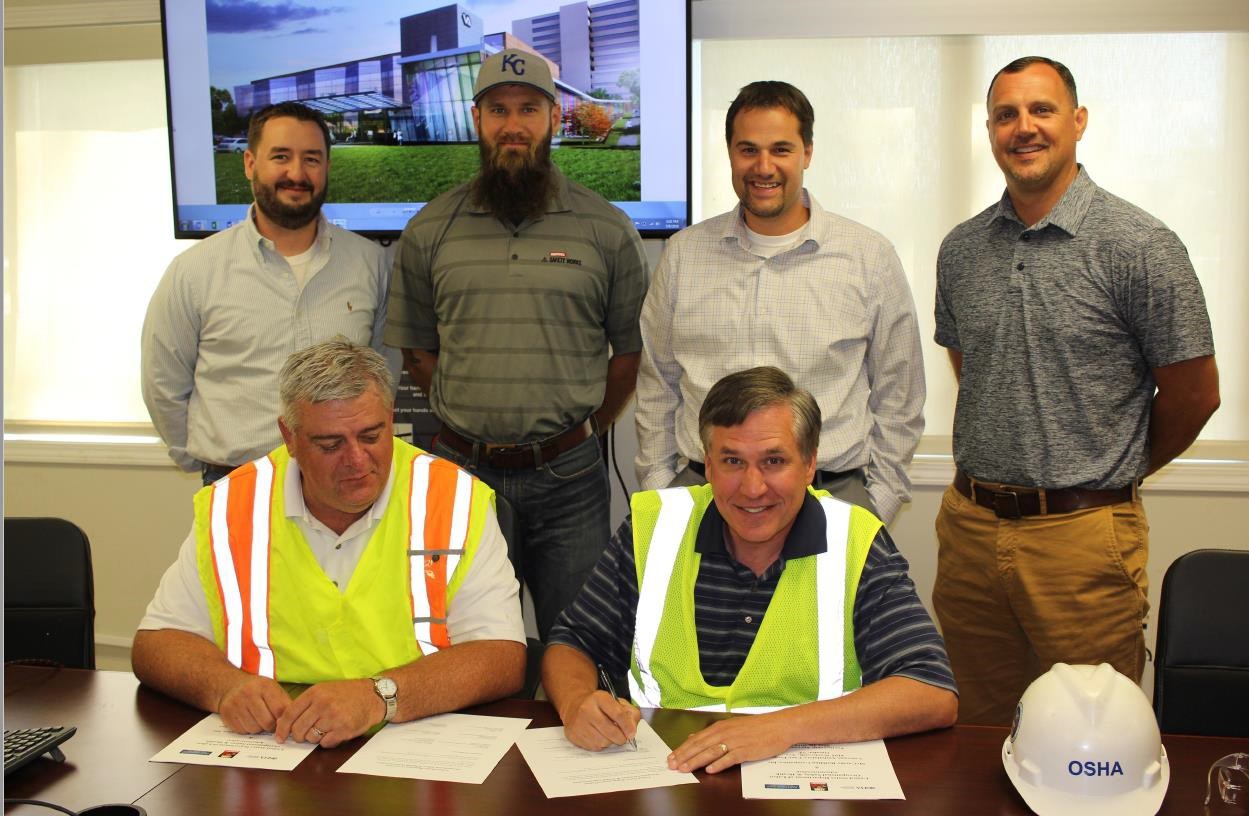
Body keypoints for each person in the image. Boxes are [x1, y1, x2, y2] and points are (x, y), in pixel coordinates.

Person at [933, 56, 1220, 725]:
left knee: (1091, 738)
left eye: (1040, 110)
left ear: (1077, 121)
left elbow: (1193, 392)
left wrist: (1110, 470)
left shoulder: (1140, 246)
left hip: (1082, 538)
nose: (1022, 128)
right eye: (1005, 114)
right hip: (971, 532)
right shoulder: (960, 249)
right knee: (975, 732)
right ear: (988, 130)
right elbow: (970, 367)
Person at [543, 367, 956, 771]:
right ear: (708, 466)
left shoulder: (856, 540)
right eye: (733, 462)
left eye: (774, 461)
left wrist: (780, 728)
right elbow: (573, 640)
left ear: (810, 465)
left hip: (804, 780)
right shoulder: (655, 527)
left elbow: (931, 690)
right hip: (660, 775)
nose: (753, 487)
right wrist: (577, 701)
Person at [133, 340, 525, 747]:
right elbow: (156, 643)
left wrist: (381, 696)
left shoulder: (453, 498)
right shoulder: (233, 504)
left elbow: (501, 655)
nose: (356, 460)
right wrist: (225, 686)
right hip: (276, 749)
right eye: (330, 445)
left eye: (371, 436)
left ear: (390, 419)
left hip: (415, 743)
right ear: (290, 436)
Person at [384, 49, 648, 640]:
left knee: (581, 650)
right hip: (462, 478)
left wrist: (580, 431)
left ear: (554, 118)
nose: (513, 125)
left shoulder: (607, 228)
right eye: (498, 109)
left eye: (529, 108)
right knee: (460, 648)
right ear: (477, 119)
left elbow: (629, 354)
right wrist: (473, 420)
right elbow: (418, 352)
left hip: (571, 482)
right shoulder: (430, 229)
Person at [634, 81, 924, 524]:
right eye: (748, 149)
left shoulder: (869, 257)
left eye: (781, 149)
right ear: (729, 152)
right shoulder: (683, 255)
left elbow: (899, 396)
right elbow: (658, 383)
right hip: (702, 498)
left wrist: (875, 503)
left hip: (831, 499)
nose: (763, 166)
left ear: (807, 152)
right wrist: (660, 489)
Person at [142, 101, 392, 486]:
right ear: (249, 164)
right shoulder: (193, 271)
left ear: (327, 167)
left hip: (342, 490)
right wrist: (206, 462)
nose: (297, 173)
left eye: (312, 158)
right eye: (281, 156)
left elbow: (381, 374)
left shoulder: (370, 264)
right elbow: (163, 384)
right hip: (235, 484)